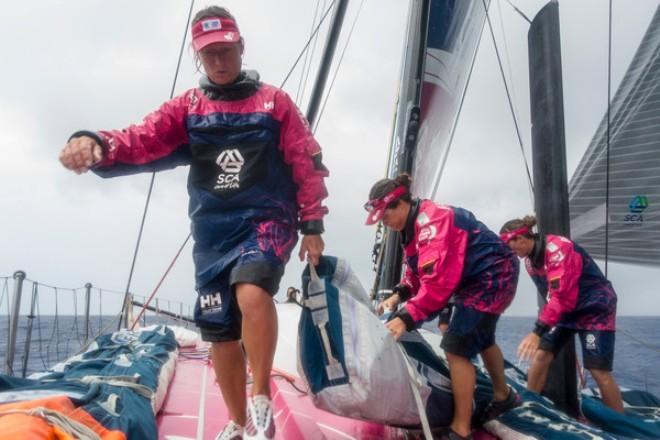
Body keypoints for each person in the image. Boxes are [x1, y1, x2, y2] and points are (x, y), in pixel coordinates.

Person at [59, 6, 329, 440]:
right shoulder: (187, 107)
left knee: (252, 289)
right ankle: (238, 422)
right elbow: (142, 136)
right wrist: (96, 143)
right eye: (209, 55)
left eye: (226, 51)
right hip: (212, 233)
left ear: (241, 47)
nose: (219, 62)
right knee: (219, 331)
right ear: (197, 57)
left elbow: (306, 159)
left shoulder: (274, 103)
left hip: (266, 219)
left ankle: (261, 400)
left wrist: (313, 225)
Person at [365, 174, 520, 440]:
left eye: (384, 215)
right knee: (482, 337)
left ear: (400, 203)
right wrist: (398, 295)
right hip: (475, 280)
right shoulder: (411, 230)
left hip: (493, 276)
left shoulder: (433, 222)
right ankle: (503, 396)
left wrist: (405, 318)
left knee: (456, 347)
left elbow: (437, 286)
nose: (383, 221)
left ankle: (460, 429)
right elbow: (416, 274)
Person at [499, 215, 624, 413]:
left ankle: (620, 422)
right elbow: (551, 296)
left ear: (521, 238)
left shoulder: (558, 249)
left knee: (598, 369)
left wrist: (536, 332)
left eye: (509, 244)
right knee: (541, 355)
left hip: (595, 308)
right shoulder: (530, 263)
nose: (509, 250)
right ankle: (529, 407)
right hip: (566, 311)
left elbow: (562, 296)